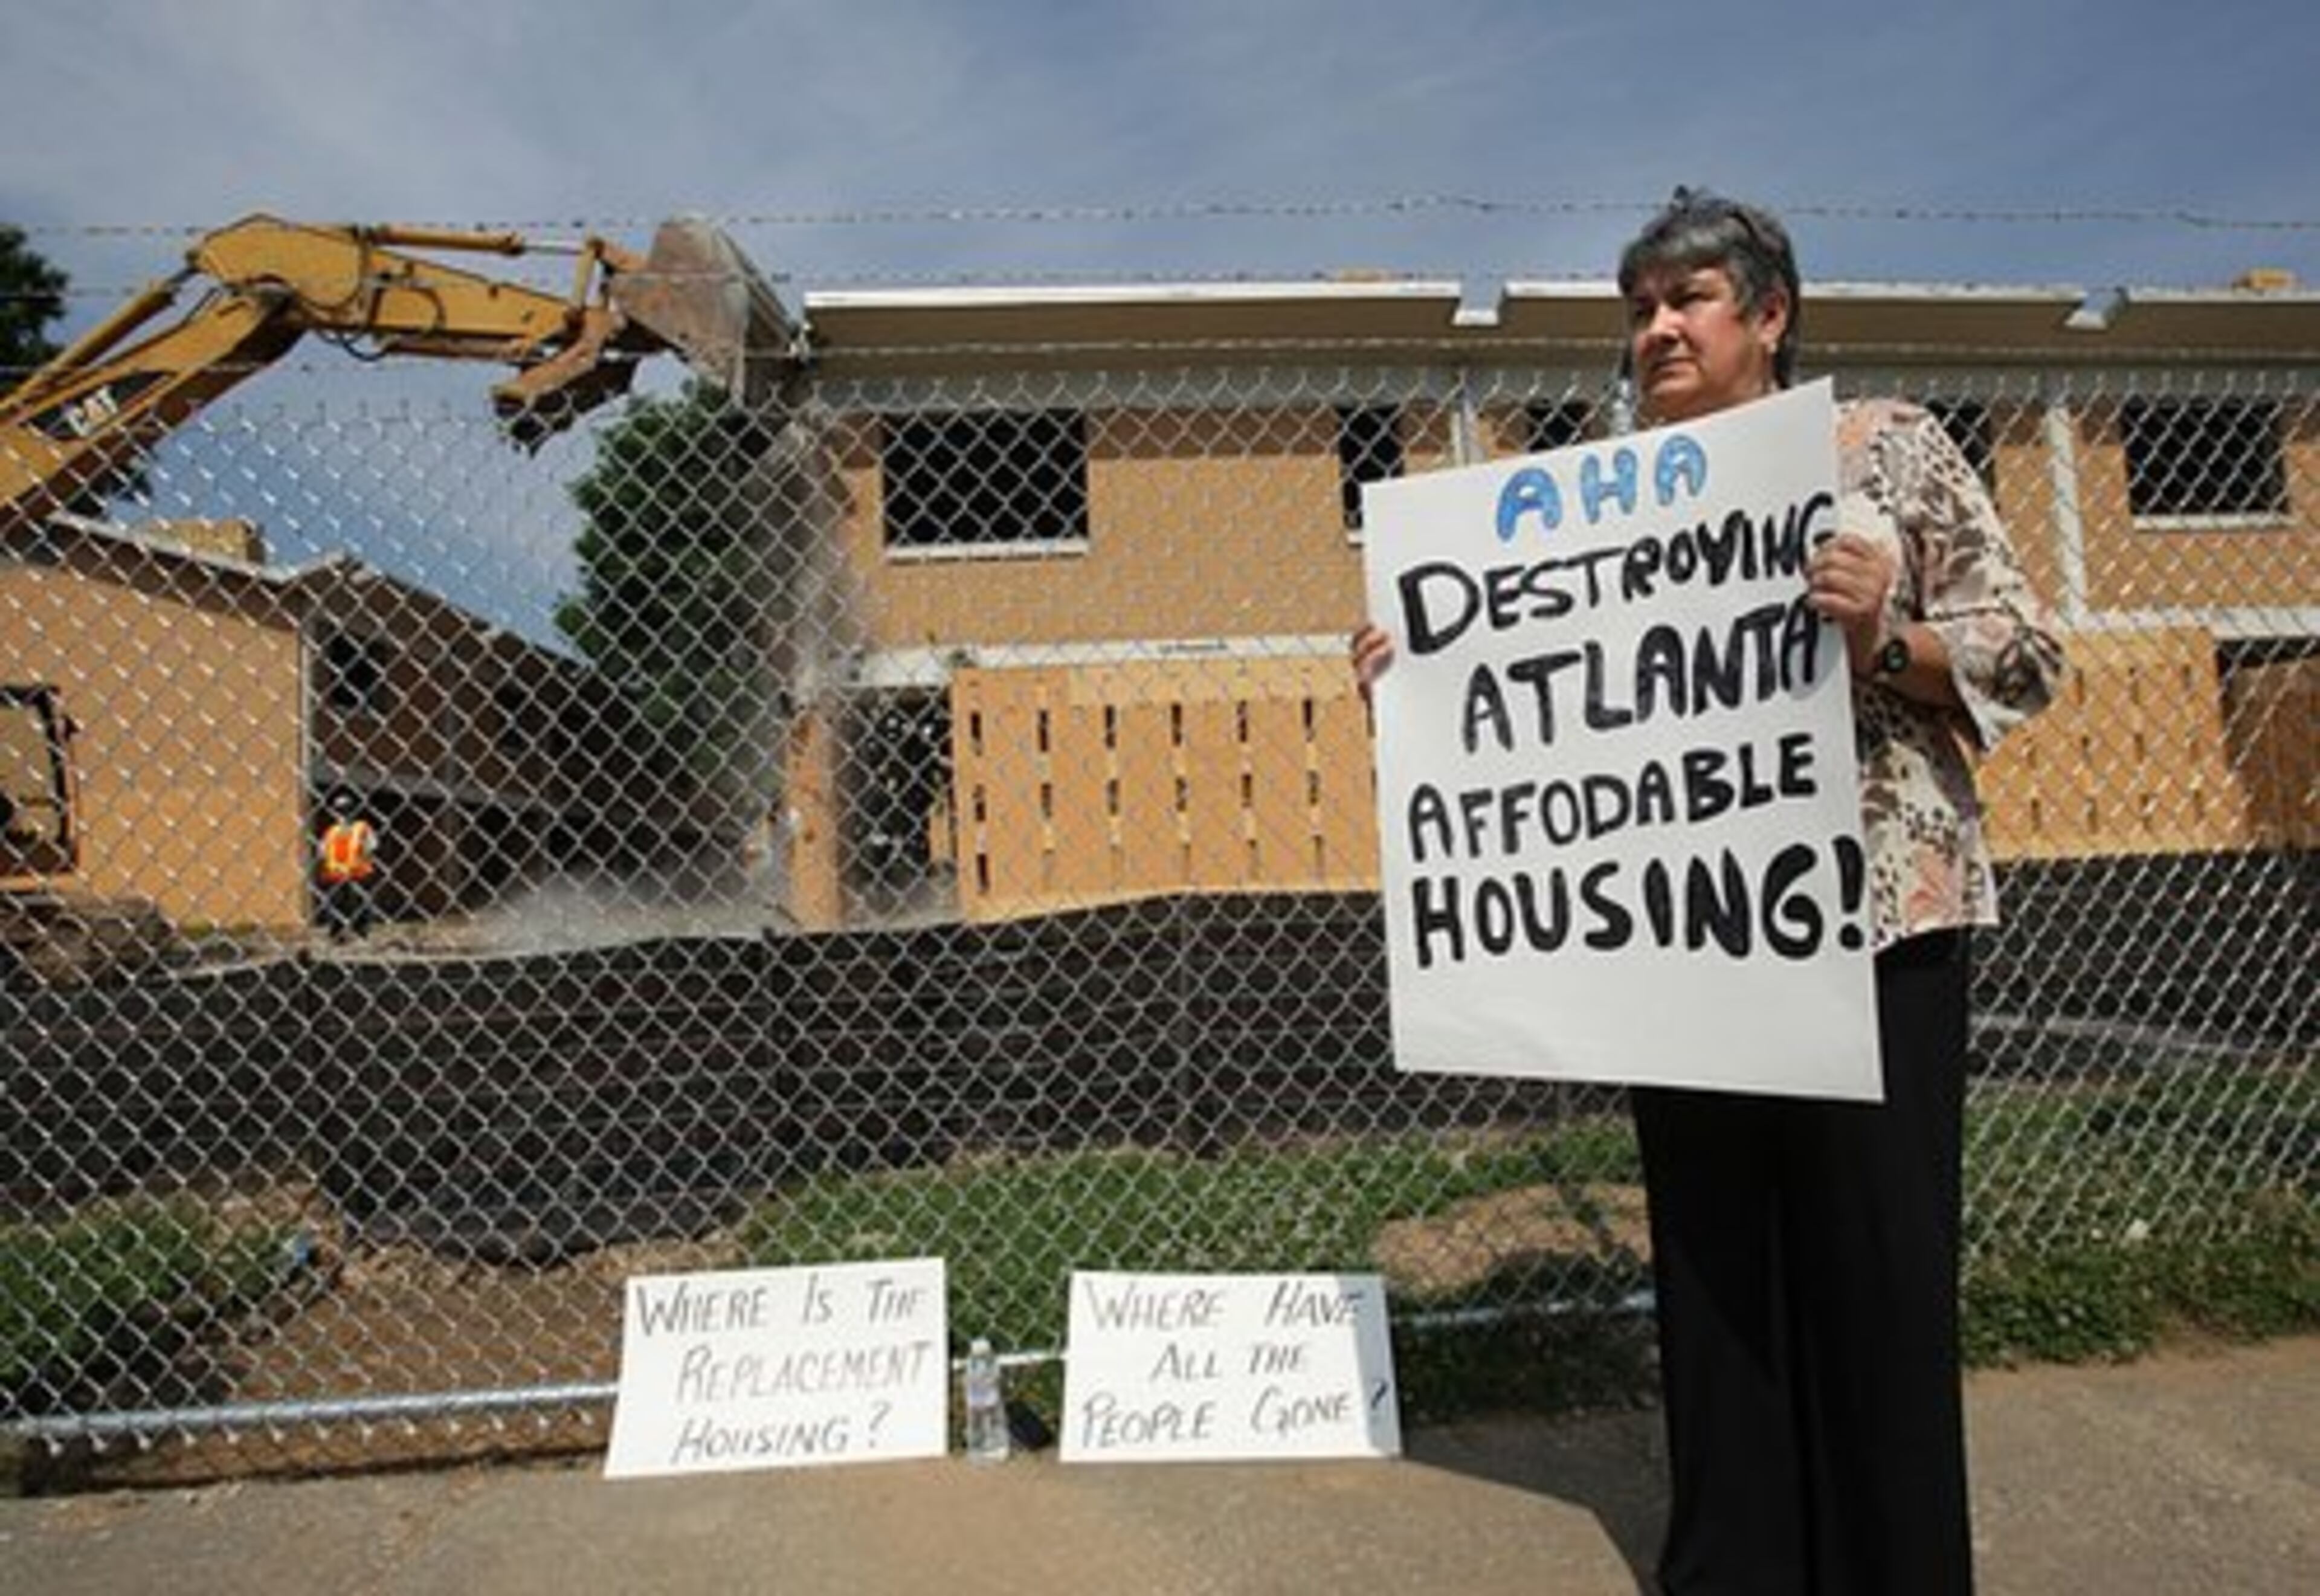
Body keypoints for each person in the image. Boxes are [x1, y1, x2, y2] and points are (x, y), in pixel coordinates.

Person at [1353, 188, 2065, 1594]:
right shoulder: (1587, 504)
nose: (1658, 330)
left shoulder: (1884, 447)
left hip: (1874, 923)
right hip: (1685, 946)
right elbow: (1529, 701)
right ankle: (1736, 1560)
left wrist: (1885, 633)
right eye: (1638, 309)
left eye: (1687, 300)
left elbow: (2028, 651)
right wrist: (1416, 669)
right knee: (1714, 1272)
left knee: (1874, 1270)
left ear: (1769, 315)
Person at [317, 801, 380, 942]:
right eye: (340, 810)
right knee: (337, 903)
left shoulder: (362, 828)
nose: (343, 814)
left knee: (359, 902)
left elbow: (371, 848)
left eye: (346, 810)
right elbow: (323, 853)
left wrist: (363, 864)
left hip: (358, 873)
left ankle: (361, 933)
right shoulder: (331, 832)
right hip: (336, 875)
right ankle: (337, 933)